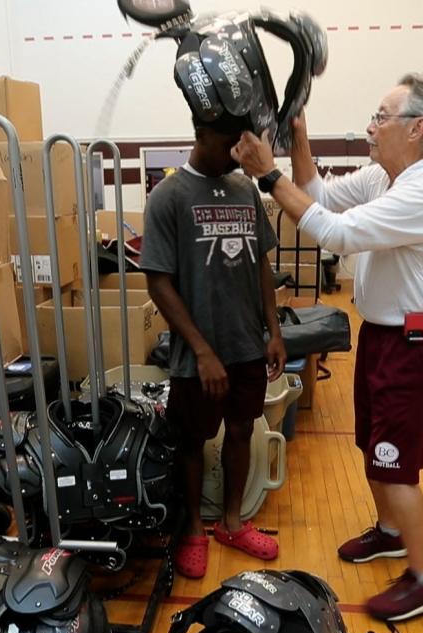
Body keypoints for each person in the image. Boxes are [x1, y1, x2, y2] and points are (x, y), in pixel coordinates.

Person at [231, 73, 423, 621]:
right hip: (387, 334)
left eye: (382, 117)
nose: (371, 126)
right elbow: (320, 196)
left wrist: (268, 173)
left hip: (420, 345)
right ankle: (390, 533)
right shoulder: (387, 176)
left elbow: (334, 234)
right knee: (372, 443)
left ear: (418, 127)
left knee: (395, 462)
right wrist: (299, 139)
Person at [141, 113, 287, 580]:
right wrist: (201, 350)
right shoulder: (168, 196)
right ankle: (192, 532)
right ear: (200, 135)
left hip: (247, 344)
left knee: (242, 429)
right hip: (196, 355)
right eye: (229, 143)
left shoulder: (246, 189)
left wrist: (274, 329)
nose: (237, 152)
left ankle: (231, 523)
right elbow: (158, 282)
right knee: (192, 440)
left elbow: (261, 264)